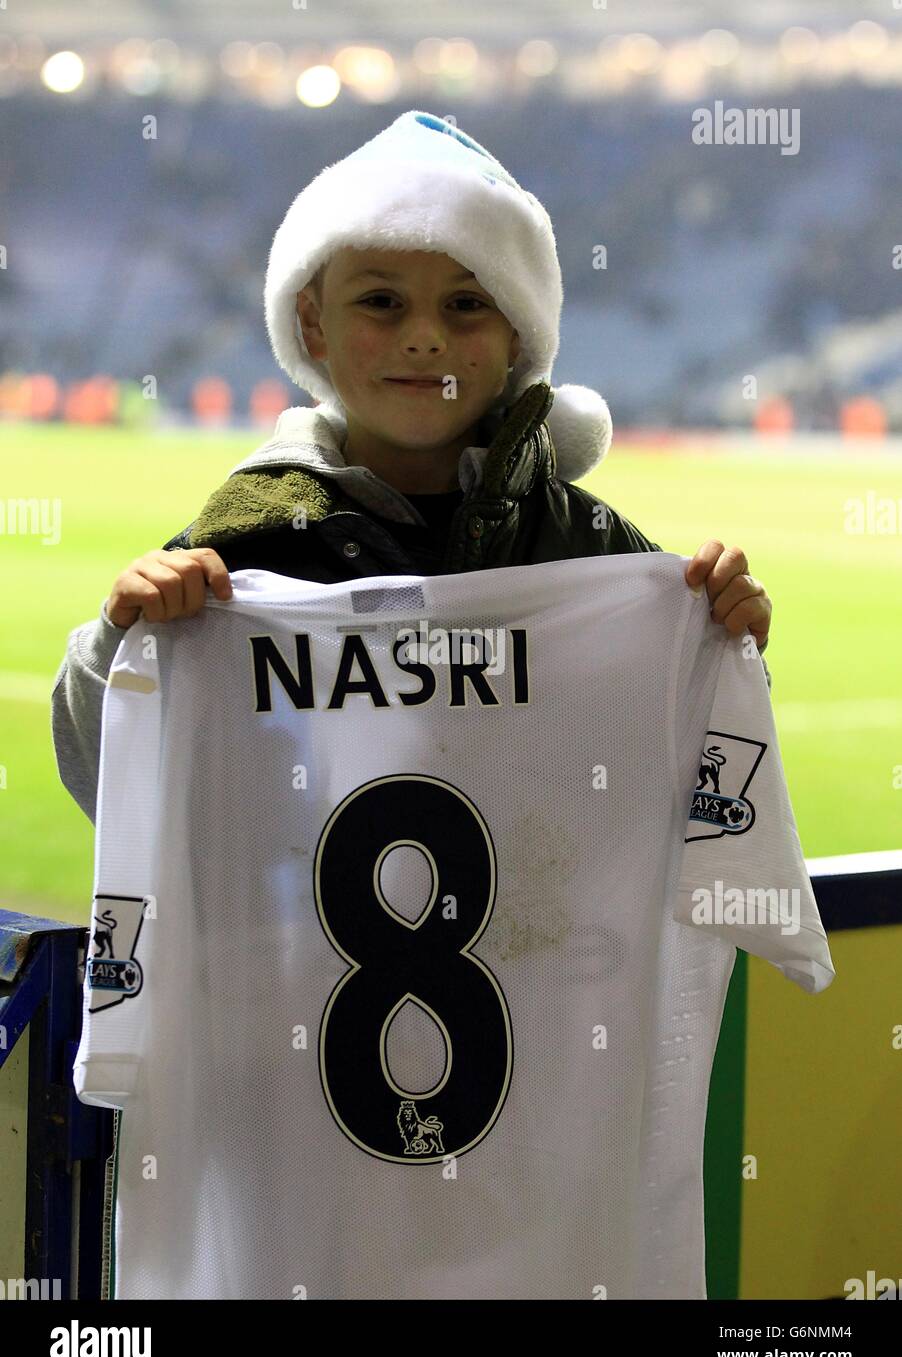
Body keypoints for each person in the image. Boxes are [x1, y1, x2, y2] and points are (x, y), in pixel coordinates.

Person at [51, 109, 772, 825]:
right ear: (313, 325)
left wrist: (723, 644)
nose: (424, 337)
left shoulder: (592, 546)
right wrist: (124, 640)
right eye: (381, 301)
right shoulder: (239, 548)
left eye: (466, 303)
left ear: (517, 335)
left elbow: (703, 788)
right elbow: (111, 785)